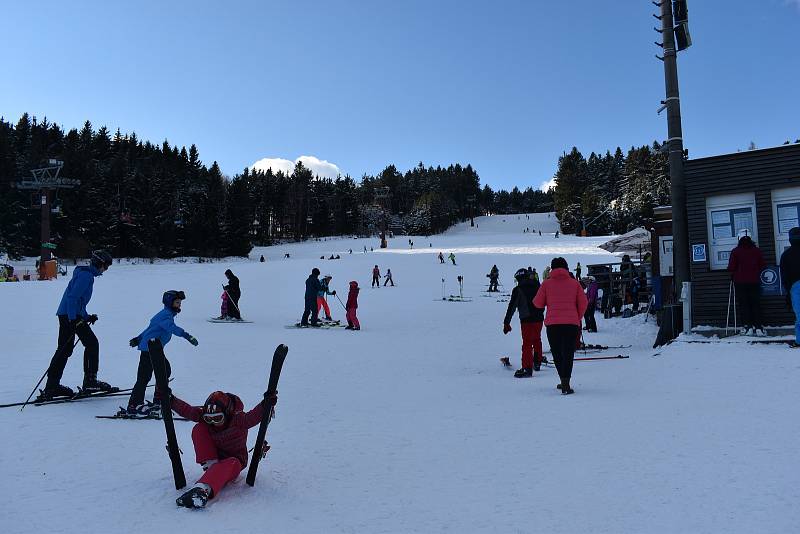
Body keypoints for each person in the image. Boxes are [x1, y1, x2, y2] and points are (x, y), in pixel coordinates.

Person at [170, 389, 278, 508]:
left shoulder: (238, 420)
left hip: (235, 460)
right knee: (199, 428)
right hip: (214, 458)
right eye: (209, 419)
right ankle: (211, 466)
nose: (212, 423)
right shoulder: (207, 421)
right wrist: (170, 400)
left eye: (217, 418)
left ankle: (202, 490)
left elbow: (252, 417)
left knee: (231, 463)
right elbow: (188, 410)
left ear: (227, 414)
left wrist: (265, 405)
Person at [41, 250, 114, 400]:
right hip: (70, 316)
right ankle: (90, 381)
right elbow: (73, 298)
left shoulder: (85, 274)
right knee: (92, 344)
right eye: (105, 267)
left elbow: (78, 301)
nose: (105, 270)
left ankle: (52, 385)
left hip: (68, 315)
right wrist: (74, 318)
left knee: (64, 349)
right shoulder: (86, 276)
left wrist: (86, 316)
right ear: (99, 264)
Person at [124, 290, 199, 416]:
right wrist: (187, 336)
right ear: (169, 303)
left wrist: (138, 338)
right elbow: (172, 328)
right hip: (150, 349)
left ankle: (159, 399)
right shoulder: (165, 316)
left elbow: (149, 329)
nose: (179, 305)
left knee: (165, 370)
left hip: (154, 348)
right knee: (144, 377)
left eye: (180, 302)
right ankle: (135, 404)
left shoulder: (165, 314)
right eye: (177, 302)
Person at [533, 257, 588, 395]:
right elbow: (584, 303)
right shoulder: (574, 283)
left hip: (553, 325)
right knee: (568, 353)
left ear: (552, 268)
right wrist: (577, 317)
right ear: (566, 267)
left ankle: (563, 380)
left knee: (557, 353)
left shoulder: (546, 284)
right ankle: (566, 383)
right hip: (571, 324)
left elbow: (537, 303)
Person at [503, 268, 544, 377]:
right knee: (537, 339)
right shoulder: (538, 286)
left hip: (526, 319)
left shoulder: (518, 289)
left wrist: (506, 322)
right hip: (539, 319)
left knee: (527, 343)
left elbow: (511, 307)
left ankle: (527, 368)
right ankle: (537, 362)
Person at [727, 233, 766, 336]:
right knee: (755, 303)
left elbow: (731, 267)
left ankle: (748, 326)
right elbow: (762, 264)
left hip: (740, 281)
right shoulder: (756, 251)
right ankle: (758, 327)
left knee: (744, 304)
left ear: (739, 238)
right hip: (754, 281)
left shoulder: (735, 251)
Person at [780, 227, 800, 345]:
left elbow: (784, 275)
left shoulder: (786, 255)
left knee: (799, 316)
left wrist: (788, 290)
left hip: (795, 286)